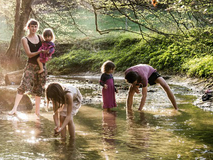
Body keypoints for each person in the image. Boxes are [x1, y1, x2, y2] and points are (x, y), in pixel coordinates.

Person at [8, 19, 48, 118]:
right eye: (32, 26)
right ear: (28, 27)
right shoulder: (24, 39)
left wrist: (48, 52)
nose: (34, 28)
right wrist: (40, 52)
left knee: (39, 88)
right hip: (30, 66)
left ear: (37, 27)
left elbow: (47, 48)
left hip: (41, 66)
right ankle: (14, 109)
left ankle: (37, 112)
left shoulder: (40, 37)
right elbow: (29, 55)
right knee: (23, 86)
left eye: (35, 26)